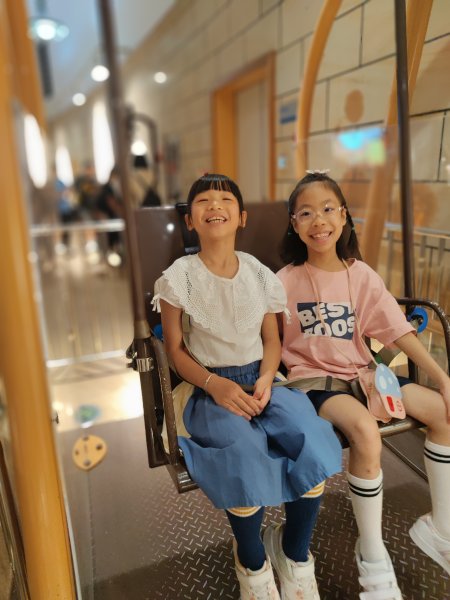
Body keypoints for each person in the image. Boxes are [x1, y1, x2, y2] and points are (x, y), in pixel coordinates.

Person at [153, 173, 342, 600]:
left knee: (311, 437)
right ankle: (252, 563)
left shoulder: (259, 273)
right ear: (190, 220)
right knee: (242, 452)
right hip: (208, 389)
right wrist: (214, 384)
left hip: (263, 381)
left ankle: (295, 555)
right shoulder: (178, 277)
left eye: (225, 200)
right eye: (203, 200)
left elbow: (272, 341)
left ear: (241, 217)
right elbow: (175, 350)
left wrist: (267, 378)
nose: (214, 205)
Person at [277, 171, 450, 599]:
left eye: (327, 209)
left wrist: (443, 378)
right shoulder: (283, 281)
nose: (319, 221)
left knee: (444, 412)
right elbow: (264, 339)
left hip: (364, 374)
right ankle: (372, 555)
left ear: (344, 216)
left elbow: (397, 331)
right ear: (294, 225)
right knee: (364, 430)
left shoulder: (362, 276)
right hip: (314, 381)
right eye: (306, 213)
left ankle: (441, 529)